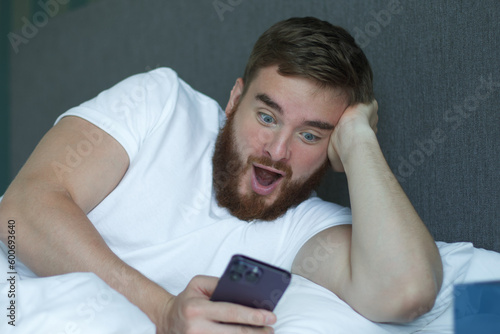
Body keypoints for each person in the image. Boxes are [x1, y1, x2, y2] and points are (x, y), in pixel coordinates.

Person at [0, 17, 443, 333]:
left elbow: (407, 292)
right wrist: (163, 310)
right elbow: (19, 212)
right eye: (267, 116)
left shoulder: (305, 229)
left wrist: (360, 141)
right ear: (234, 99)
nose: (277, 150)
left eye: (310, 135)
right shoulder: (164, 104)